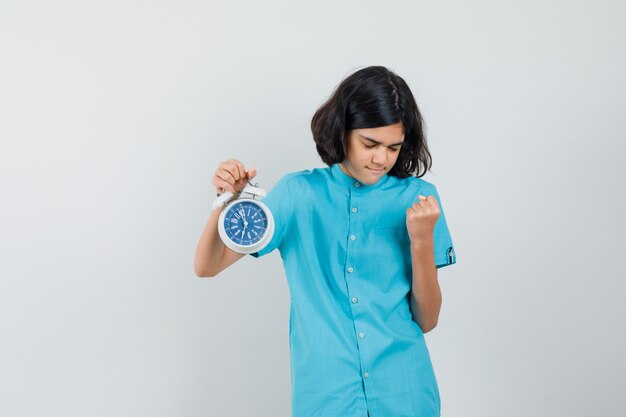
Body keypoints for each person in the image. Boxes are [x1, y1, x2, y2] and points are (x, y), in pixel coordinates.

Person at [194, 65, 457, 417]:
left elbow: (427, 320)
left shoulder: (420, 200)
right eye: (370, 143)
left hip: (406, 393)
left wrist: (422, 241)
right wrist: (227, 200)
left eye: (393, 147)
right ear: (342, 130)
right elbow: (207, 266)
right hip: (327, 397)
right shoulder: (298, 194)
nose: (381, 158)